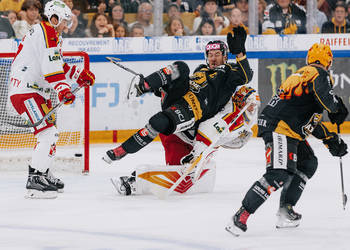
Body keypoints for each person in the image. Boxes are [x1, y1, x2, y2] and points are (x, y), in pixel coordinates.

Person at [225, 43, 349, 236]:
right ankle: (241, 214)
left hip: (286, 127)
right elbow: (326, 99)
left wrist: (330, 139)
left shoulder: (303, 75)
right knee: (279, 173)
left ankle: (286, 210)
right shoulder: (318, 74)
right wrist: (335, 107)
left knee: (307, 163)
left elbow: (307, 118)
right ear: (328, 62)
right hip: (280, 128)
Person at [103, 27, 253, 176]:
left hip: (193, 109)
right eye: (210, 54)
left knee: (157, 122)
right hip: (180, 97)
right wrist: (161, 88)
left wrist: (240, 53)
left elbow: (246, 76)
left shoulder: (229, 71)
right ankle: (144, 86)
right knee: (182, 67)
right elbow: (187, 85)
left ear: (225, 56)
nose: (213, 58)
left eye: (217, 54)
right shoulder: (201, 69)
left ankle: (122, 150)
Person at [8, 0, 95, 199]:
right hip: (26, 92)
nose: (67, 25)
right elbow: (52, 71)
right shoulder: (46, 32)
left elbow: (58, 64)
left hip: (36, 92)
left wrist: (77, 75)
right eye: (64, 21)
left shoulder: (50, 34)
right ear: (54, 19)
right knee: (47, 133)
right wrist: (63, 89)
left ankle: (43, 172)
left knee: (50, 134)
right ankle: (35, 180)